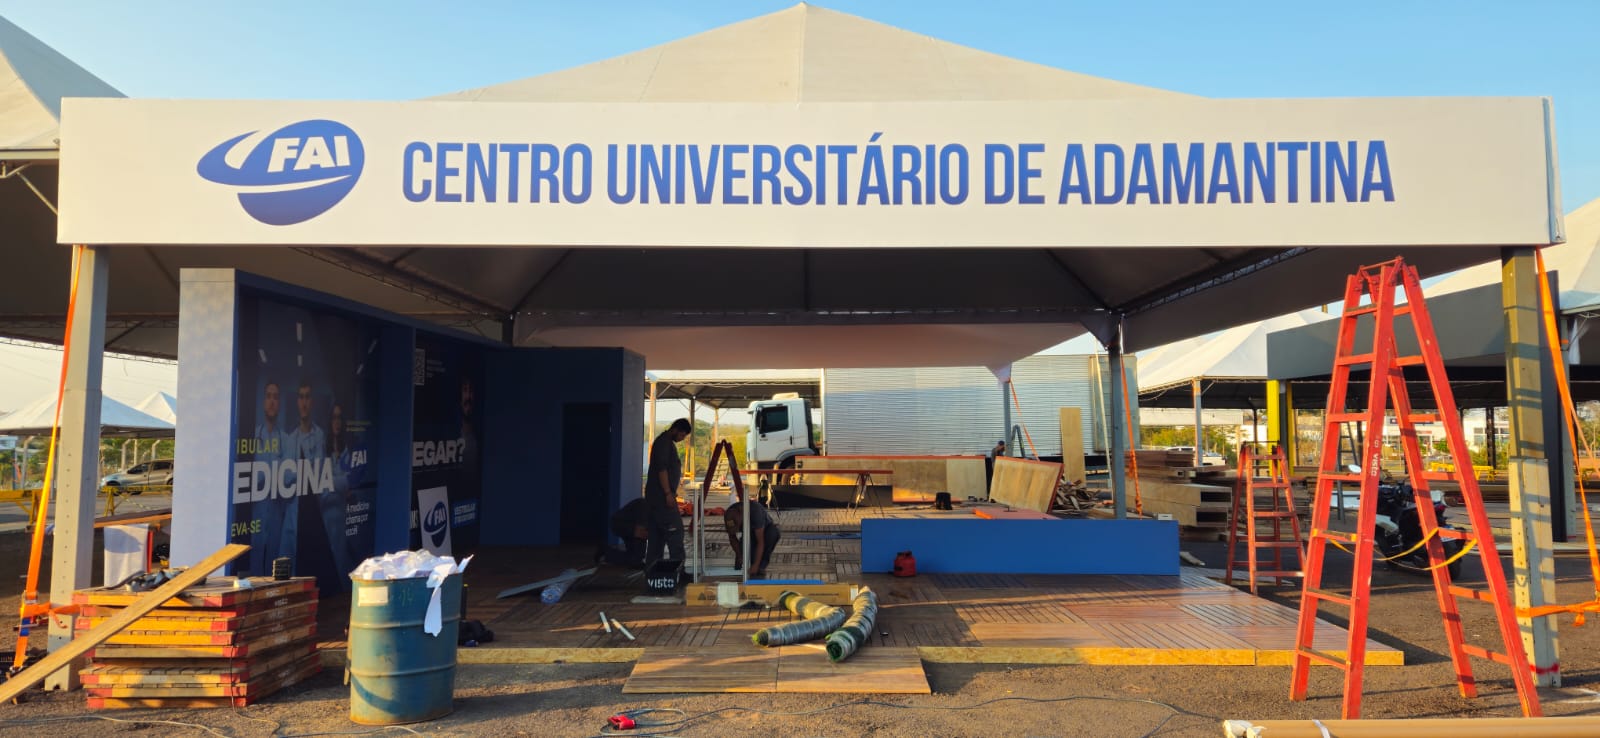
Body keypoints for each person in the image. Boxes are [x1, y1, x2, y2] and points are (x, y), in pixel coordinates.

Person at [643, 418, 692, 568]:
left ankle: (653, 569)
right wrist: (667, 494)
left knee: (657, 535)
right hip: (662, 498)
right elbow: (662, 469)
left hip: (655, 497)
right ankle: (678, 569)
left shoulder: (664, 442)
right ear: (676, 429)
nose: (682, 439)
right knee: (675, 531)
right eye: (682, 435)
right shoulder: (664, 443)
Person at [724, 497, 781, 578]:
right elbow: (732, 537)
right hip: (748, 533)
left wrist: (755, 565)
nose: (738, 528)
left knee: (772, 534)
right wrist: (739, 555)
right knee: (746, 550)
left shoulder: (755, 511)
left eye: (738, 526)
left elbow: (760, 542)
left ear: (742, 515)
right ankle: (750, 561)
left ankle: (761, 566)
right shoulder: (729, 514)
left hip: (765, 531)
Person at [596, 498, 649, 568]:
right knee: (636, 560)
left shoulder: (648, 506)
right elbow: (639, 532)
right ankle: (606, 551)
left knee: (635, 557)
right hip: (621, 525)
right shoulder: (644, 506)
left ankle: (607, 552)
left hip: (629, 525)